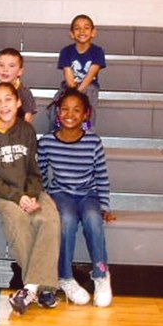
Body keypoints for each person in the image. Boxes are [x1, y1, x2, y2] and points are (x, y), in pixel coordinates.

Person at [0, 82, 60, 314]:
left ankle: (29, 287)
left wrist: (29, 195)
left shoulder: (27, 131)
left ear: (19, 102)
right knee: (18, 220)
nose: (3, 105)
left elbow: (33, 170)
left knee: (49, 219)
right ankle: (45, 288)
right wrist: (17, 198)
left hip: (29, 191)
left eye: (8, 99)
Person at [38, 88, 116, 308]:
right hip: (61, 194)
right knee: (68, 220)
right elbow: (41, 176)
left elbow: (101, 176)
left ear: (86, 115)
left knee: (92, 218)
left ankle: (101, 276)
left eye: (76, 110)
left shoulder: (93, 142)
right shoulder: (46, 143)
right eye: (64, 109)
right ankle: (65, 277)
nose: (69, 114)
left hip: (87, 195)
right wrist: (44, 203)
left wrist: (104, 206)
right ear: (57, 113)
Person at [48, 14, 106, 130]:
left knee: (88, 100)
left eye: (86, 28)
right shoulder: (66, 51)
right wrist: (73, 92)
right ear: (72, 34)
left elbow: (91, 75)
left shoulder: (97, 51)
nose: (82, 31)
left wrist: (79, 92)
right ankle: (56, 130)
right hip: (70, 86)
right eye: (77, 28)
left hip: (88, 86)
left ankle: (87, 130)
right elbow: (69, 79)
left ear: (93, 32)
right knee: (55, 104)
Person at [0, 48, 37, 123]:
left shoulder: (25, 93)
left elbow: (28, 119)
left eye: (11, 66)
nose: (5, 69)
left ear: (20, 71)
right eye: (1, 65)